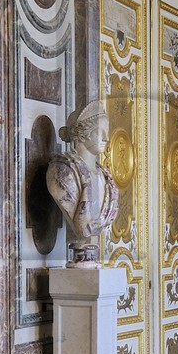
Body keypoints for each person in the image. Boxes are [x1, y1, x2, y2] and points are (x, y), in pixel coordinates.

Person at [46, 101, 120, 266]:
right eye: (99, 132)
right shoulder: (62, 172)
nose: (106, 138)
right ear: (83, 133)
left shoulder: (105, 177)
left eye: (106, 132)